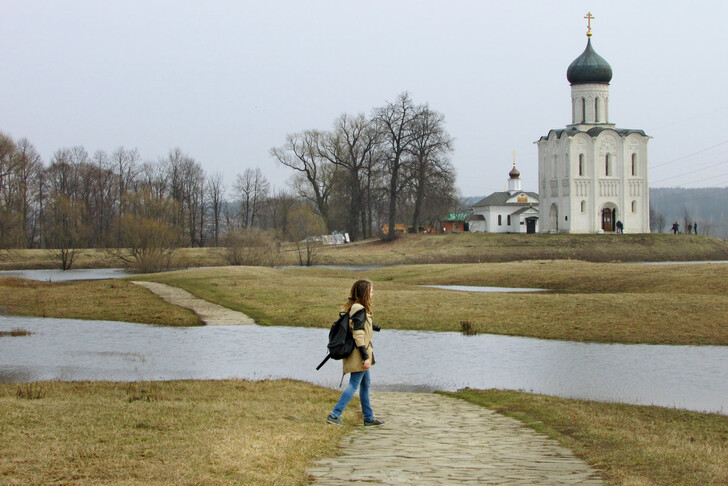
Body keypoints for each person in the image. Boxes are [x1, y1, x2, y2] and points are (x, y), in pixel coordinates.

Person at [327, 279, 384, 427]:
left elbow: (359, 325)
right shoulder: (359, 309)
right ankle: (334, 414)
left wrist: (374, 326)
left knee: (365, 384)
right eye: (371, 291)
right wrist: (365, 357)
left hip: (361, 353)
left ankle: (368, 418)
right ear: (364, 293)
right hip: (360, 354)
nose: (372, 294)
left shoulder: (356, 308)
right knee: (353, 385)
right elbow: (358, 334)